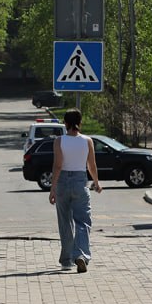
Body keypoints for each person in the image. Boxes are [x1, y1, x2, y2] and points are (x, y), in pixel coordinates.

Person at [48, 108, 102, 273]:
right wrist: (96, 183)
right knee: (83, 221)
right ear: (80, 123)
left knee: (65, 222)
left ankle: (66, 261)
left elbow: (57, 166)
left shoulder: (59, 141)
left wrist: (52, 189)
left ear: (65, 123)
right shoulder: (87, 141)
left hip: (63, 182)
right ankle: (81, 255)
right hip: (80, 181)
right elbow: (91, 165)